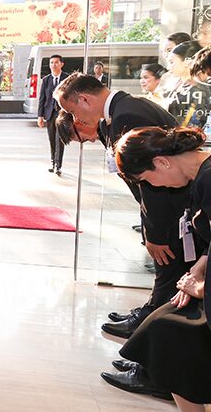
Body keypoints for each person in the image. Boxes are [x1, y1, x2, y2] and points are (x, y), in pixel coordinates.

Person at [55, 73, 193, 338]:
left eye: (72, 111)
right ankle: (152, 322)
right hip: (169, 208)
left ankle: (152, 329)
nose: (75, 119)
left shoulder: (127, 116)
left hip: (172, 209)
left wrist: (154, 233)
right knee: (168, 272)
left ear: (84, 100)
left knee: (170, 270)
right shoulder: (122, 111)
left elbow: (152, 182)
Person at [102, 126, 210, 410]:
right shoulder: (201, 176)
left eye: (148, 180)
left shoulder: (207, 180)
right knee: (160, 326)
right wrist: (198, 270)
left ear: (162, 162)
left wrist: (201, 288)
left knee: (166, 333)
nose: (156, 187)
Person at [164, 40, 211, 129]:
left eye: (172, 62)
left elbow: (197, 123)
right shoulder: (176, 86)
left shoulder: (200, 90)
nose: (168, 67)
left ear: (187, 61)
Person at [37, 54, 65, 175]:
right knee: (52, 139)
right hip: (49, 114)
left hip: (62, 114)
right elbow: (42, 99)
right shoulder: (46, 80)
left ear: (61, 64)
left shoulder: (66, 78)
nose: (53, 65)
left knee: (60, 139)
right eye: (51, 63)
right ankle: (53, 163)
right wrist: (40, 116)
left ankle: (58, 165)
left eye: (56, 62)